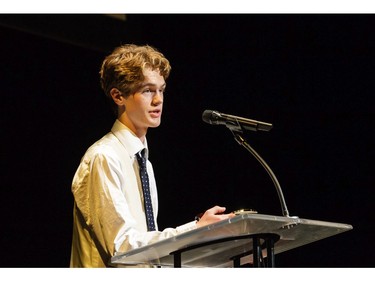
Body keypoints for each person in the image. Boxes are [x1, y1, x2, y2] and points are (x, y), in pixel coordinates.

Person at [70, 44, 235, 268]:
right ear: (118, 96)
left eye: (161, 90)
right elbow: (123, 247)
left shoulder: (143, 161)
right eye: (148, 90)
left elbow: (147, 252)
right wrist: (194, 229)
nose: (158, 100)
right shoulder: (104, 157)